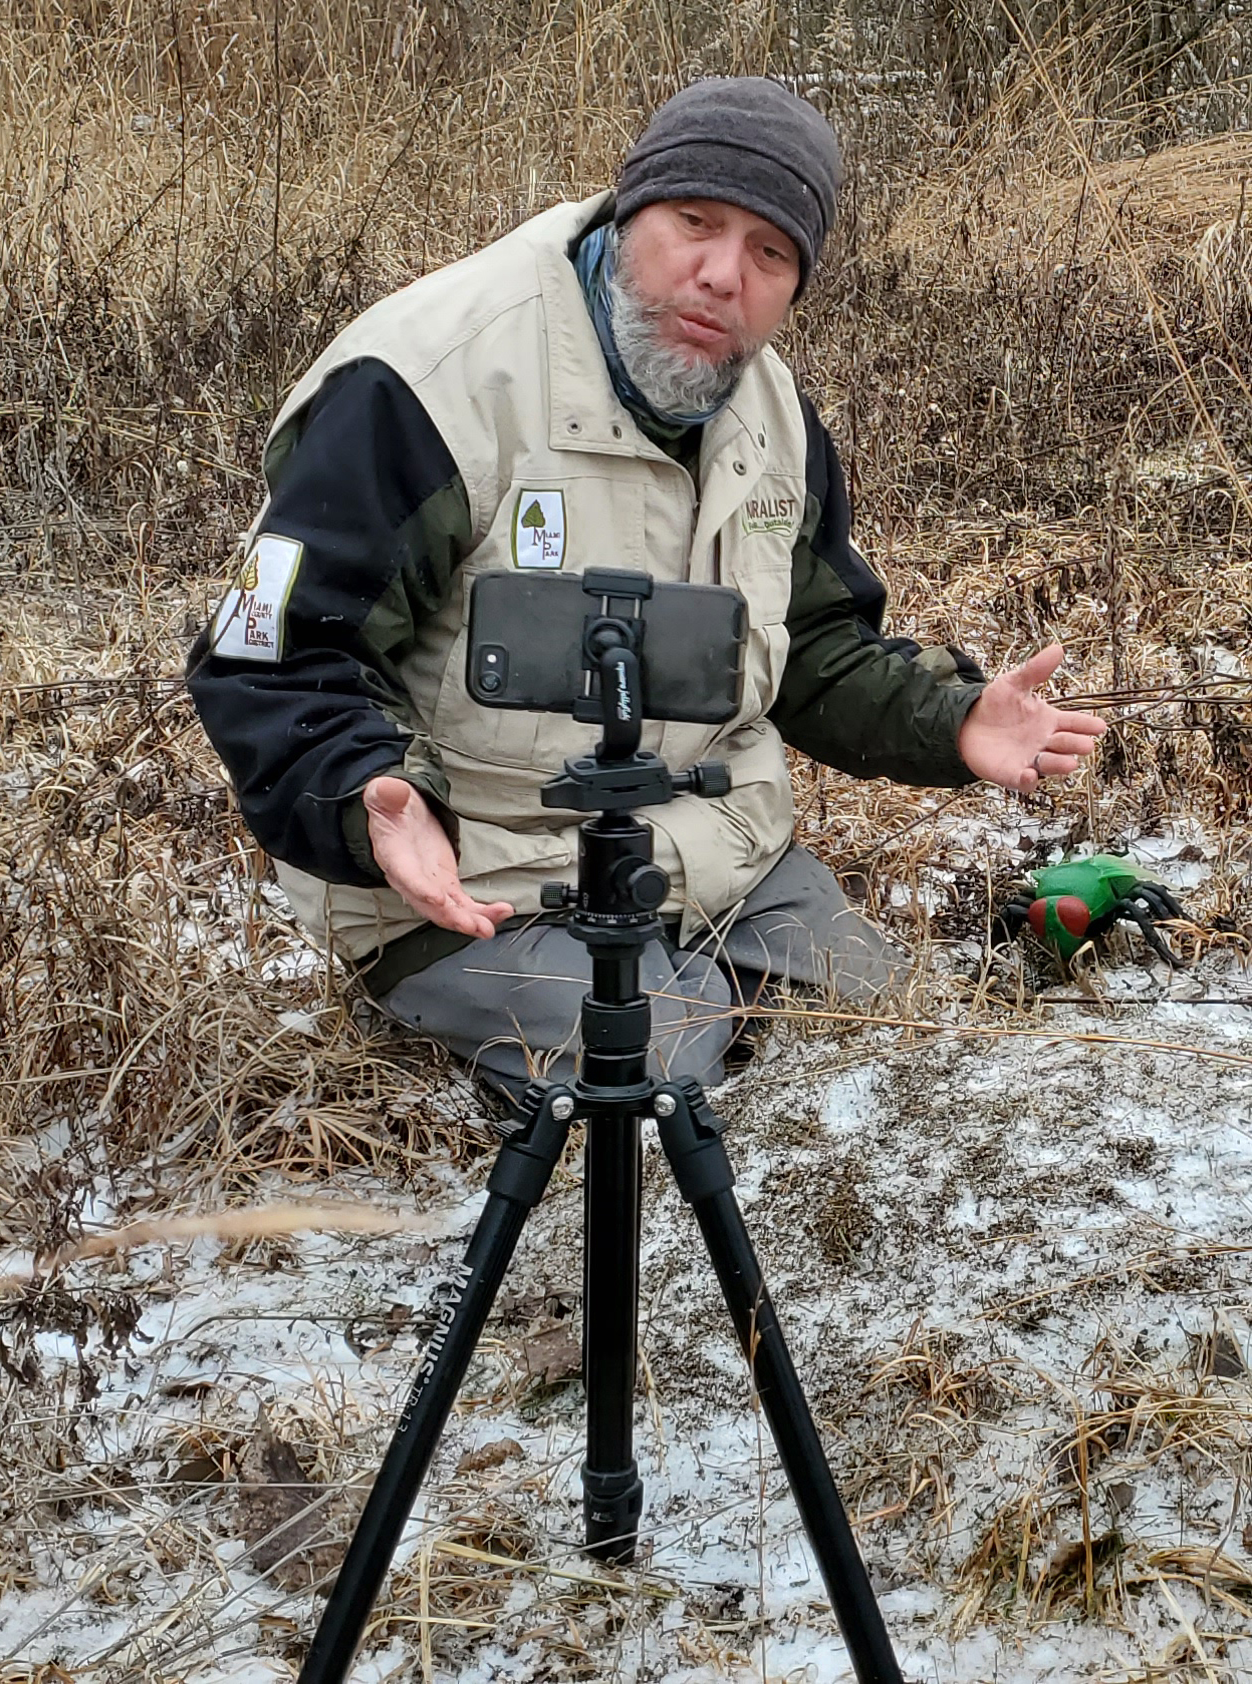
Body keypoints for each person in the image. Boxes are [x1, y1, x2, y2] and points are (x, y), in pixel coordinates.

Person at [188, 78, 1106, 1097]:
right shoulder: (426, 384)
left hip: (714, 857)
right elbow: (266, 652)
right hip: (479, 877)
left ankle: (691, 981)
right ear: (629, 214)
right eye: (695, 223)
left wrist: (950, 719)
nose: (723, 276)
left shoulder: (775, 417)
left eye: (771, 253)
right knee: (659, 1067)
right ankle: (495, 999)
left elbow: (810, 645)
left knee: (885, 1031)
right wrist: (370, 800)